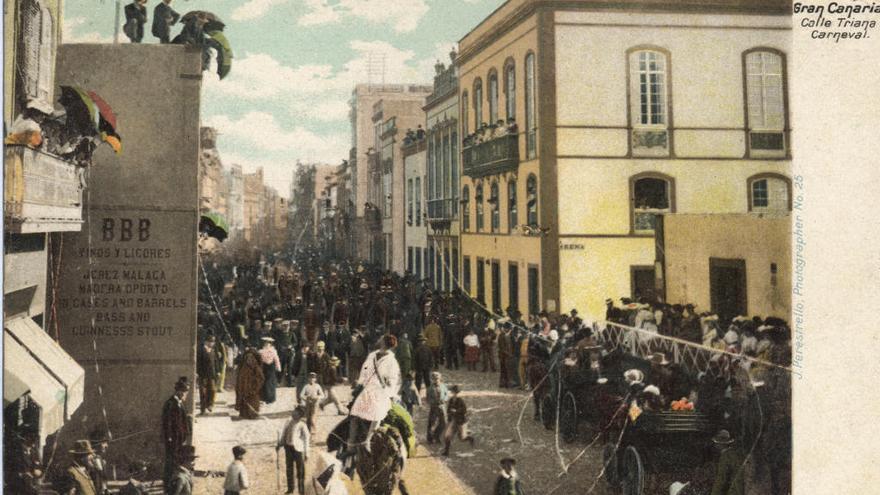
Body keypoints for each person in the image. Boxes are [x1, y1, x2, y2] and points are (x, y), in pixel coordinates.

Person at [344, 334, 401, 458]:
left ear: (384, 343)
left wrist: (389, 386)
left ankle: (367, 441)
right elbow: (364, 371)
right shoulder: (372, 355)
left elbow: (393, 378)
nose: (379, 340)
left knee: (377, 415)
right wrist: (359, 383)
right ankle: (351, 444)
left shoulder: (392, 361)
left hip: (380, 391)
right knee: (354, 413)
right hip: (368, 389)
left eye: (381, 339)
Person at [161, 377, 191, 491]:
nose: (185, 395)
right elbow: (167, 422)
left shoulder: (180, 403)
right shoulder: (170, 404)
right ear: (179, 392)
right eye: (184, 392)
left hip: (179, 439)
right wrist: (169, 437)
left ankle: (174, 484)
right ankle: (167, 485)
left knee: (176, 461)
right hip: (172, 439)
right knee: (170, 461)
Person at [278, 407, 310, 495]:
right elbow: (284, 434)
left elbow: (306, 439)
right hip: (288, 448)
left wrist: (307, 452)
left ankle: (301, 490)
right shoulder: (288, 421)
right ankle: (290, 489)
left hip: (298, 450)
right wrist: (280, 444)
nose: (293, 414)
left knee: (300, 470)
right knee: (289, 469)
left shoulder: (302, 425)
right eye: (293, 412)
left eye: (295, 414)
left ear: (300, 416)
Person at [442, 384, 475, 456]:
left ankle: (470, 438)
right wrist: (449, 416)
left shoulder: (460, 401)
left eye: (455, 392)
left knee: (462, 438)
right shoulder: (451, 400)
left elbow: (464, 410)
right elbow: (448, 410)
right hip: (454, 421)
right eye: (453, 392)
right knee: (448, 436)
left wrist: (456, 411)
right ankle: (446, 452)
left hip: (461, 421)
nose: (454, 394)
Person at [710, 430, 745, 495]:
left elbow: (722, 479)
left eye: (716, 443)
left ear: (721, 444)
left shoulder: (725, 457)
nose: (715, 445)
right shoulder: (734, 454)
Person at [235, 349, 265, 419]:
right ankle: (243, 413)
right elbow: (240, 379)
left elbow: (261, 379)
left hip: (252, 390)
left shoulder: (256, 368)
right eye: (247, 358)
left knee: (252, 402)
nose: (248, 360)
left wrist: (254, 388)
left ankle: (252, 414)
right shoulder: (243, 367)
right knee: (244, 403)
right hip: (243, 389)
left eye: (250, 358)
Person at [197, 335, 219, 414]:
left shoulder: (213, 350)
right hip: (203, 374)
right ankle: (202, 409)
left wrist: (217, 371)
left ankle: (210, 405)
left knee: (212, 390)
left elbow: (216, 361)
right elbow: (198, 363)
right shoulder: (201, 350)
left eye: (213, 342)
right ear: (206, 342)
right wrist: (198, 372)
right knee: (203, 392)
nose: (212, 343)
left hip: (212, 374)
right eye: (211, 342)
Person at [426, 371, 448, 444]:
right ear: (432, 379)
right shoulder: (429, 388)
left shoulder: (443, 386)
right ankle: (430, 438)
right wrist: (433, 402)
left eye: (437, 378)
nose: (436, 380)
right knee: (432, 423)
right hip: (434, 407)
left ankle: (436, 435)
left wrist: (444, 399)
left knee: (444, 422)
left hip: (442, 407)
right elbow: (428, 399)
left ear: (440, 378)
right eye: (434, 379)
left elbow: (446, 395)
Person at [259, 337, 282, 404]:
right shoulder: (261, 351)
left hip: (271, 367)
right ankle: (263, 397)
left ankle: (271, 398)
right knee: (263, 381)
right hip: (263, 367)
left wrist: (278, 367)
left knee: (270, 382)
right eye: (265, 343)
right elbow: (259, 359)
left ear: (270, 344)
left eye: (268, 343)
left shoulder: (273, 351)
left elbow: (276, 359)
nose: (267, 345)